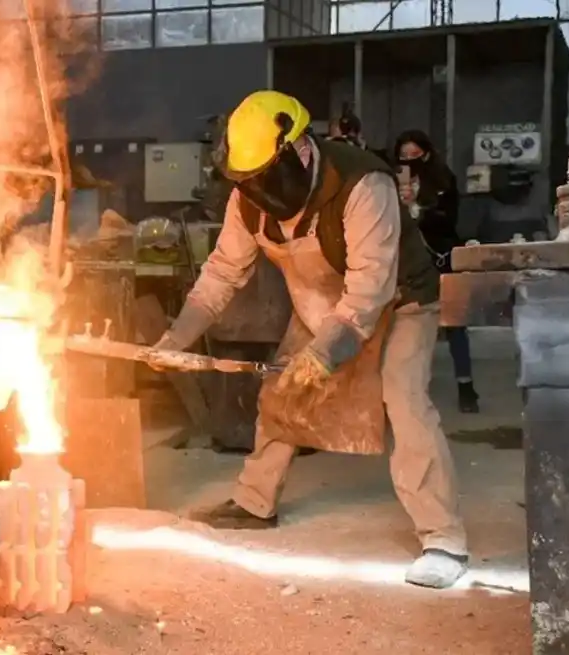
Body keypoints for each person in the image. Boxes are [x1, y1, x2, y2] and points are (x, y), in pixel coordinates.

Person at [155, 90, 468, 589]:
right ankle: (254, 503)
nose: (259, 190)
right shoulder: (249, 199)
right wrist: (178, 335)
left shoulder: (364, 183)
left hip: (398, 301)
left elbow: (369, 290)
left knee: (403, 401)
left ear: (300, 150)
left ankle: (443, 537)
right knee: (282, 394)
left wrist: (325, 354)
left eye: (265, 177)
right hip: (319, 304)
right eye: (249, 181)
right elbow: (220, 274)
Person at [394, 129, 479, 414]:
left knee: (454, 323)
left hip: (441, 257)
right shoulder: (393, 180)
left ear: (426, 154)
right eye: (403, 156)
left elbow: (449, 219)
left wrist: (419, 210)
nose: (408, 160)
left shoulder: (442, 180)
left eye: (414, 155)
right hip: (408, 261)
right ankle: (412, 388)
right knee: (411, 324)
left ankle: (466, 386)